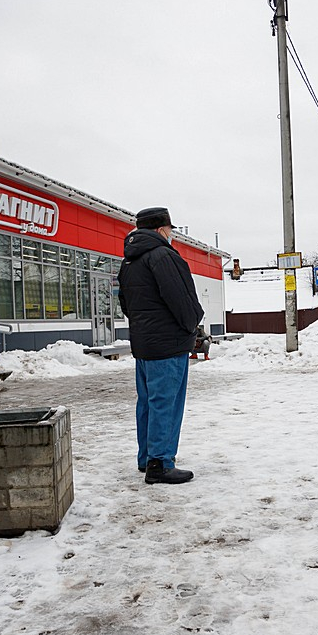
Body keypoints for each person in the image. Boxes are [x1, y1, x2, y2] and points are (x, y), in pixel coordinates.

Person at [117, 206, 204, 484]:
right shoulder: (163, 256)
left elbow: (125, 303)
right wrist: (192, 325)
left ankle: (147, 457)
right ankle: (160, 463)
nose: (171, 235)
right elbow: (183, 299)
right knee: (166, 402)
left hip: (144, 344)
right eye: (169, 230)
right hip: (168, 344)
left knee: (148, 402)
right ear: (160, 230)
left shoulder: (129, 261)